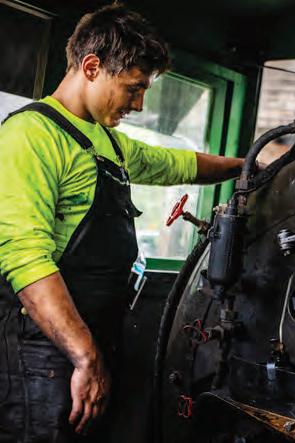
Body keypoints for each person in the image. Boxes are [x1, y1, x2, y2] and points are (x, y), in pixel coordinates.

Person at [0, 4, 245, 442]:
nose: (140, 104)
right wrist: (85, 358)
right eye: (134, 88)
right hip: (42, 351)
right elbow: (26, 259)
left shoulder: (107, 141)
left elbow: (177, 164)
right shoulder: (30, 136)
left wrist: (249, 167)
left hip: (95, 338)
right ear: (91, 67)